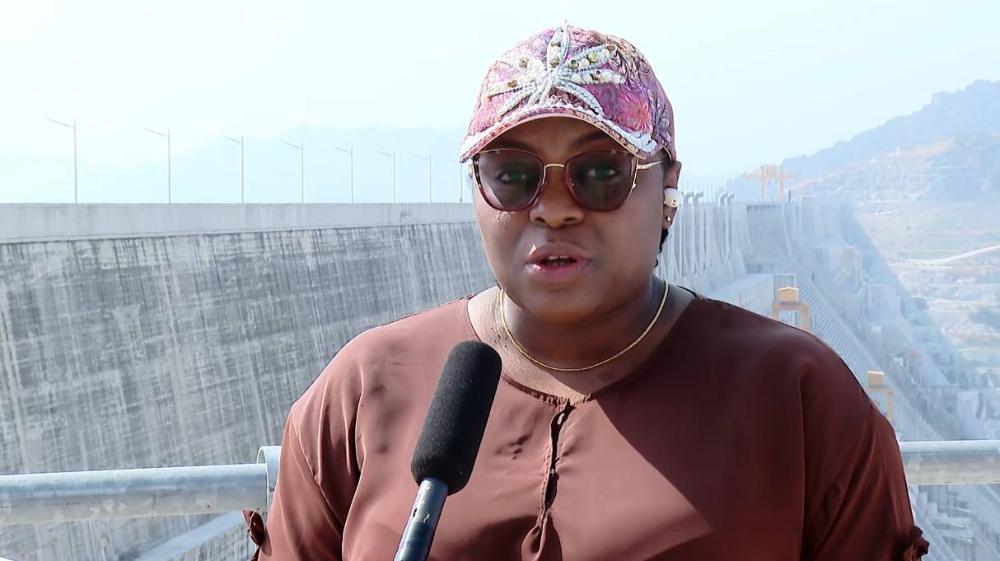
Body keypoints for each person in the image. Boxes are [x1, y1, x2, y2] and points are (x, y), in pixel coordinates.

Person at [244, 24, 929, 561]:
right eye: (513, 175)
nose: (553, 208)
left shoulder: (798, 401)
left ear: (667, 187)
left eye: (600, 173)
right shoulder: (365, 390)